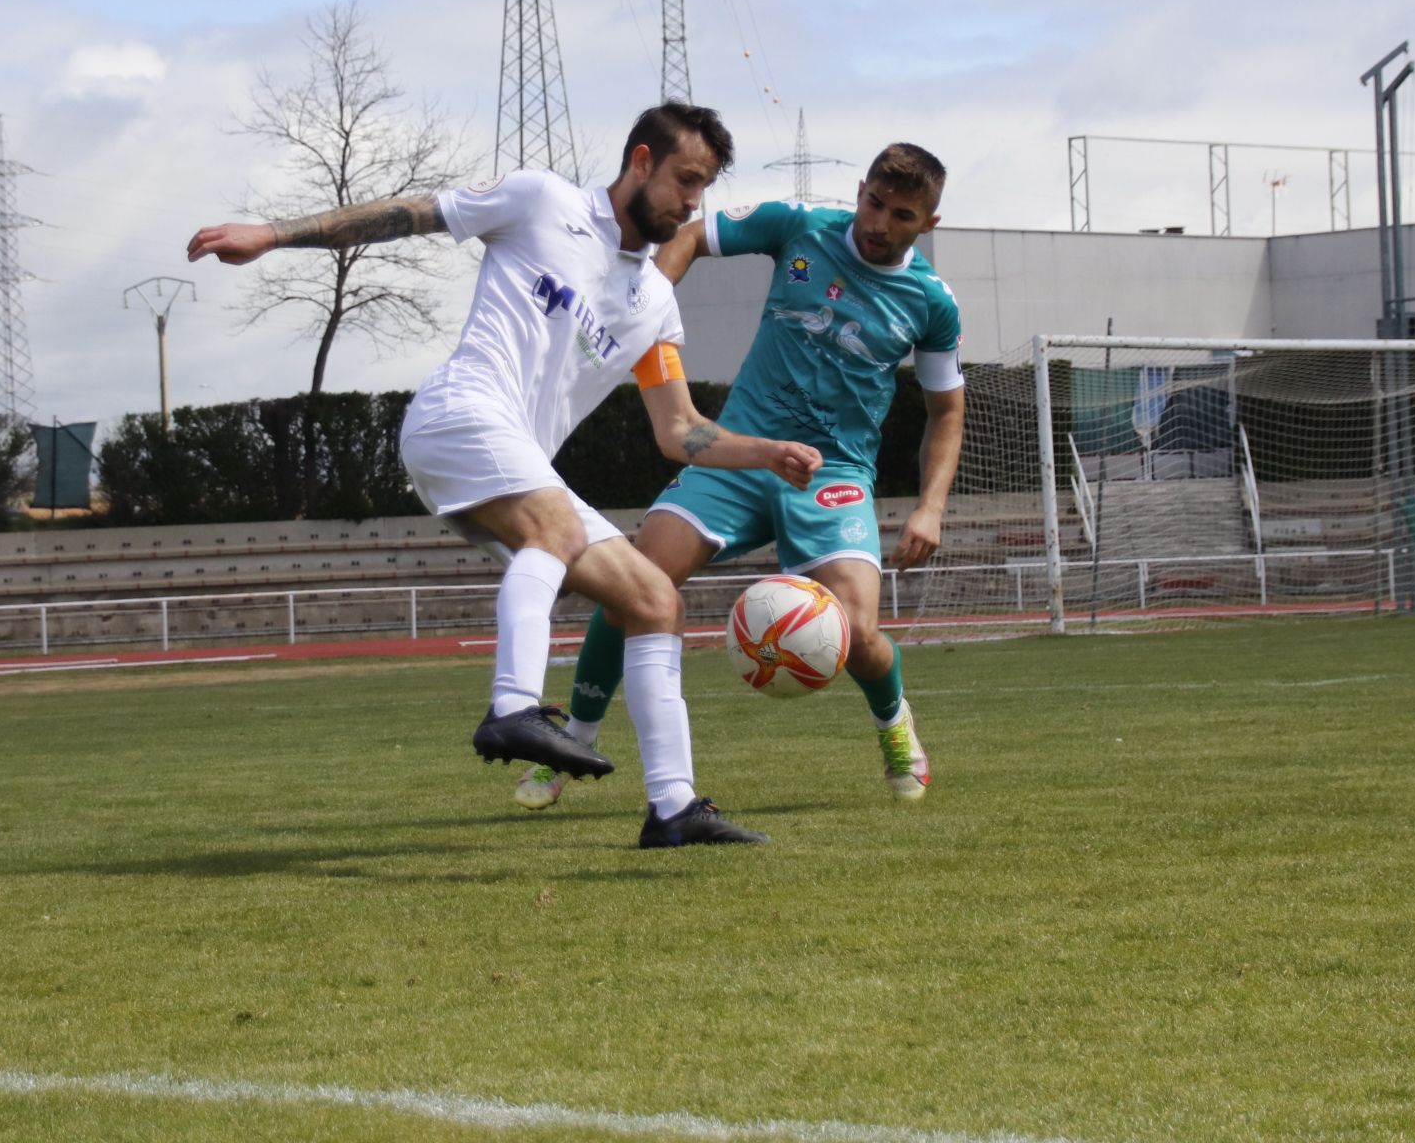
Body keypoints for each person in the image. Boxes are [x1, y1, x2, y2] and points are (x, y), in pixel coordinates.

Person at [188, 102, 823, 848]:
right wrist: (274, 234)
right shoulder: (542, 201)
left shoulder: (653, 302)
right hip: (458, 414)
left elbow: (678, 430)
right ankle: (513, 707)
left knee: (653, 597)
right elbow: (411, 215)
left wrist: (764, 451)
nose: (692, 203)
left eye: (704, 188)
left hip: (514, 454)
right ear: (641, 161)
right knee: (554, 525)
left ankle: (673, 809)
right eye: (685, 180)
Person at [517, 142, 966, 812]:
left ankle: (894, 725)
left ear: (926, 224)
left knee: (857, 632)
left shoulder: (932, 303)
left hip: (832, 474)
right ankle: (572, 742)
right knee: (637, 579)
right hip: (739, 449)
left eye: (900, 215)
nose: (878, 223)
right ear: (861, 187)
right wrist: (648, 303)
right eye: (873, 202)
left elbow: (946, 411)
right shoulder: (800, 225)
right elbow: (694, 234)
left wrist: (930, 507)